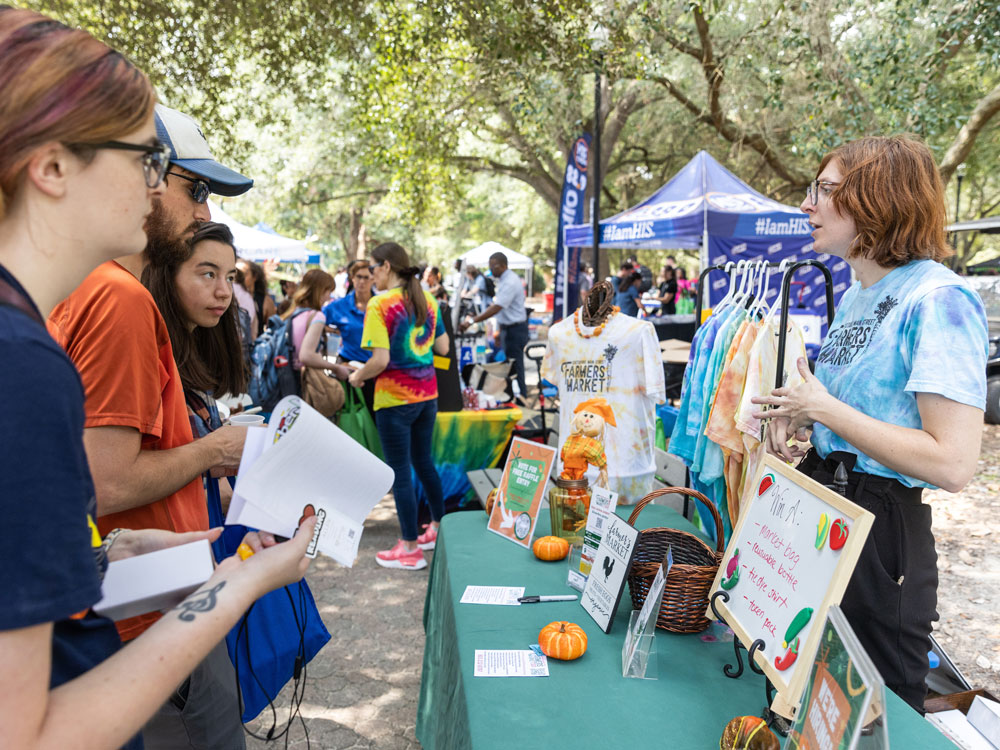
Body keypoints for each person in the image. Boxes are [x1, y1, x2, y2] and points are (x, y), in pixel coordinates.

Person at [0, 9, 316, 749]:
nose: (158, 190)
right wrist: (240, 582)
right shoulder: (23, 363)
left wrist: (109, 553)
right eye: (146, 160)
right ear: (50, 167)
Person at [751, 135, 987, 711]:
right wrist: (796, 426)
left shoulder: (938, 299)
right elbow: (853, 419)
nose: (808, 204)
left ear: (880, 199)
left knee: (875, 709)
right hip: (828, 512)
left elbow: (952, 463)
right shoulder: (860, 294)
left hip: (882, 536)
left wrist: (822, 408)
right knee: (816, 698)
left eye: (825, 190)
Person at [47, 100, 256, 748]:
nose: (204, 213)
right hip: (151, 623)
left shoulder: (81, 284)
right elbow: (105, 483)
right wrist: (216, 448)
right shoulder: (117, 296)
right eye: (194, 189)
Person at [348, 242, 449, 570]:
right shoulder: (429, 299)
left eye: (374, 267)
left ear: (387, 266)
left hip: (394, 400)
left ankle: (409, 547)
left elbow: (380, 360)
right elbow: (444, 347)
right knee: (424, 463)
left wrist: (358, 377)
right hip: (427, 397)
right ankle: (437, 528)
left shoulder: (381, 304)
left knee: (400, 472)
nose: (372, 273)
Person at [141, 221, 247, 514]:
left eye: (230, 277)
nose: (224, 291)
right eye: (208, 274)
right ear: (167, 275)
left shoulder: (193, 350)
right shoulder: (148, 352)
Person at [459, 251, 530, 401]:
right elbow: (500, 309)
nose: (491, 270)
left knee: (515, 366)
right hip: (508, 328)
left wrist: (473, 321)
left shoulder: (510, 281)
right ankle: (513, 396)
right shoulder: (504, 280)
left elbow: (497, 307)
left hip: (515, 330)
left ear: (503, 265)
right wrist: (498, 331)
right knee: (509, 366)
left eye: (494, 267)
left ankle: (522, 397)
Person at [324, 259, 376, 410]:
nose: (362, 281)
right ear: (352, 278)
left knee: (374, 416)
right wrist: (333, 331)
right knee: (351, 416)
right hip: (349, 366)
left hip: (376, 367)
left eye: (366, 277)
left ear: (373, 279)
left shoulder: (380, 304)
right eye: (358, 277)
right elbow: (317, 321)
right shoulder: (339, 306)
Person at [282, 268, 351, 379]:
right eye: (328, 292)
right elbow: (306, 356)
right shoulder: (317, 316)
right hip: (302, 380)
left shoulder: (294, 312)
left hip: (285, 376)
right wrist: (335, 368)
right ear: (321, 291)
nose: (329, 297)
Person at [237, 258, 277, 333]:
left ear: (255, 277)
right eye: (238, 274)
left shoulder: (265, 301)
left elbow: (273, 329)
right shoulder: (233, 296)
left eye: (245, 274)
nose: (240, 278)